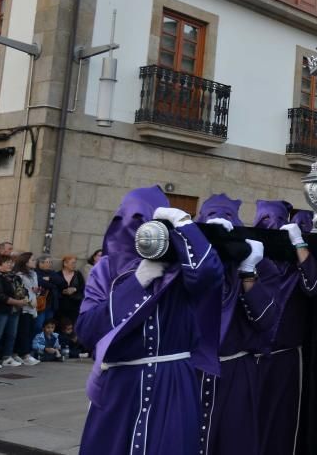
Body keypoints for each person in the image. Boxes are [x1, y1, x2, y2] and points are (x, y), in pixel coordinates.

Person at [77, 186, 223, 455]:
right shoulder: (104, 270)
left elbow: (209, 275)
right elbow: (87, 330)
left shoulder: (182, 268)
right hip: (119, 385)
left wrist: (186, 226)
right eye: (129, 220)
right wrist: (137, 282)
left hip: (173, 382)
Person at [194, 194, 278, 455]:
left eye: (228, 216)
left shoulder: (259, 262)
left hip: (235, 371)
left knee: (233, 440)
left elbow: (266, 320)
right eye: (210, 217)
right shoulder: (187, 262)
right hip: (189, 372)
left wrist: (249, 274)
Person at [253, 199, 317, 455]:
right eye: (264, 223)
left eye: (277, 223)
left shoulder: (296, 268)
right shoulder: (252, 261)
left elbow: (312, 285)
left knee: (280, 422)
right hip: (249, 358)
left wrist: (299, 244)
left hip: (285, 358)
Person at [0, 256, 30, 368]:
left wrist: (25, 298)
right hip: (1, 310)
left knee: (11, 335)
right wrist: (17, 302)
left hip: (14, 310)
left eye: (11, 262)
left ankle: (7, 357)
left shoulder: (16, 278)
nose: (10, 264)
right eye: (6, 263)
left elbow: (24, 289)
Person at [13, 252, 40, 365]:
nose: (35, 262)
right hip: (24, 306)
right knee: (23, 331)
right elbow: (19, 291)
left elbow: (34, 289)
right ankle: (24, 354)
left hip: (33, 306)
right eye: (32, 260)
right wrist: (28, 301)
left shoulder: (34, 274)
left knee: (30, 331)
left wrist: (37, 292)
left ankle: (21, 353)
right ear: (25, 262)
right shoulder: (19, 275)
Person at [53, 255, 85, 325]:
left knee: (72, 324)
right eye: (73, 263)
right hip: (61, 305)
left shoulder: (78, 274)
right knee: (59, 324)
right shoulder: (57, 274)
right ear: (65, 263)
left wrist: (75, 289)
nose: (75, 265)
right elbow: (54, 288)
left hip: (74, 305)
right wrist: (62, 291)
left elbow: (83, 287)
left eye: (75, 263)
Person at [35, 255, 57, 333]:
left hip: (51, 304)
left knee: (49, 326)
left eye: (51, 262)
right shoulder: (36, 272)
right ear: (40, 263)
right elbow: (41, 282)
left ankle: (46, 343)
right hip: (40, 304)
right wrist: (53, 285)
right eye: (48, 262)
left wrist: (50, 279)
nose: (50, 264)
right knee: (38, 325)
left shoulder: (52, 272)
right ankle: (36, 343)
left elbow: (61, 282)